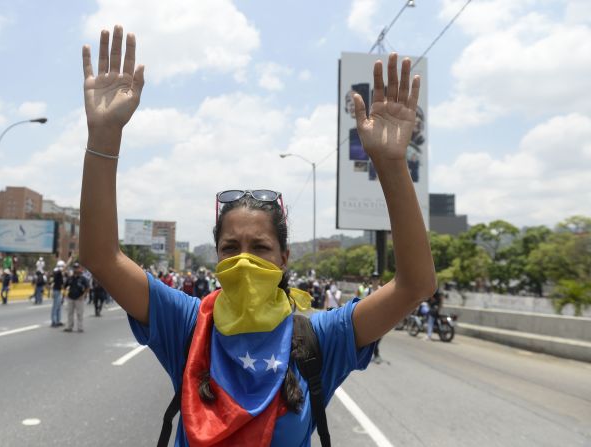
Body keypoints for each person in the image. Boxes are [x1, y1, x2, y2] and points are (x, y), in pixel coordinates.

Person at [78, 26, 435, 446]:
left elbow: (415, 285)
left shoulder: (320, 338)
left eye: (260, 247)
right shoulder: (189, 326)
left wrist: (393, 165)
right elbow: (101, 256)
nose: (244, 259)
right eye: (231, 247)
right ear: (216, 255)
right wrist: (104, 136)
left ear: (285, 257)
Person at [64, 263, 90, 333]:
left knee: (79, 314)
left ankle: (80, 327)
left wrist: (83, 295)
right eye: (74, 268)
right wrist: (65, 294)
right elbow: (65, 286)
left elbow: (87, 287)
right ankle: (69, 327)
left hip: (79, 298)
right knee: (70, 313)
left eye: (77, 268)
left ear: (79, 269)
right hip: (70, 298)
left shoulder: (83, 278)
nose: (76, 269)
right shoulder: (70, 278)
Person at [50, 261, 66, 327]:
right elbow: (64, 268)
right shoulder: (57, 272)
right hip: (56, 291)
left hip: (58, 291)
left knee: (59, 306)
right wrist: (70, 259)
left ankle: (58, 321)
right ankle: (54, 321)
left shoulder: (59, 273)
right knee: (55, 307)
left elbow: (61, 284)